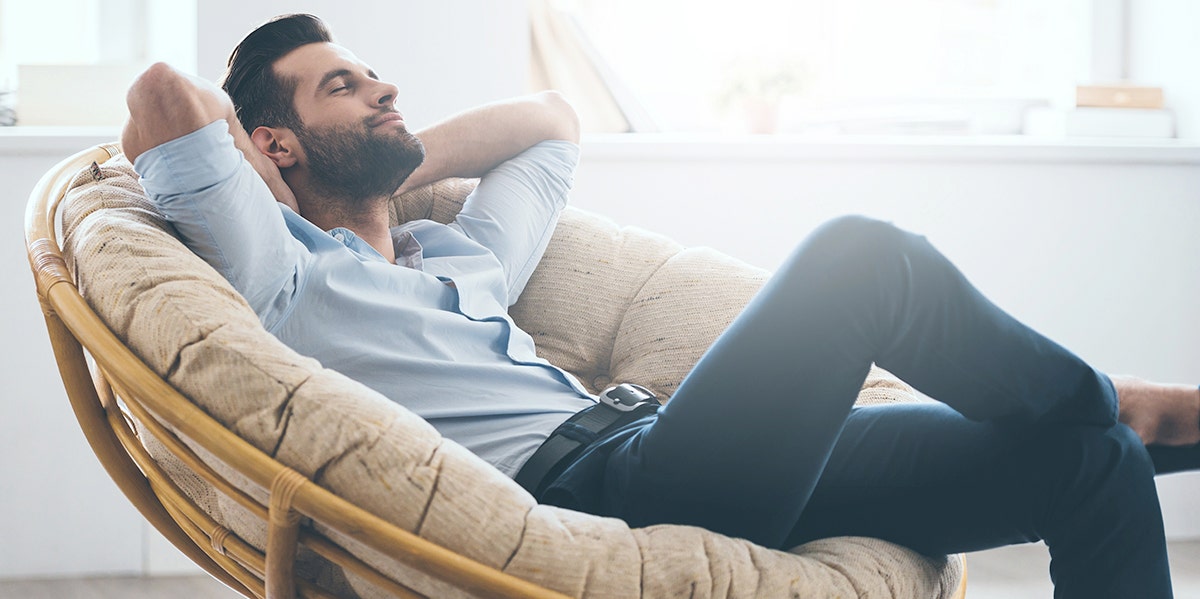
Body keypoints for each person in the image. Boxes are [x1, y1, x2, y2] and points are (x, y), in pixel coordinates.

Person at [119, 13, 1198, 598]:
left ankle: (1110, 419)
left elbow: (552, 120)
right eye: (341, 87)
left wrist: (385, 165)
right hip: (602, 485)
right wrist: (283, 180)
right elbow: (165, 95)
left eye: (373, 72)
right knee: (862, 258)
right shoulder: (288, 275)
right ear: (271, 144)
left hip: (671, 442)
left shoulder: (462, 253)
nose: (383, 89)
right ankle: (1119, 397)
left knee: (1085, 462)